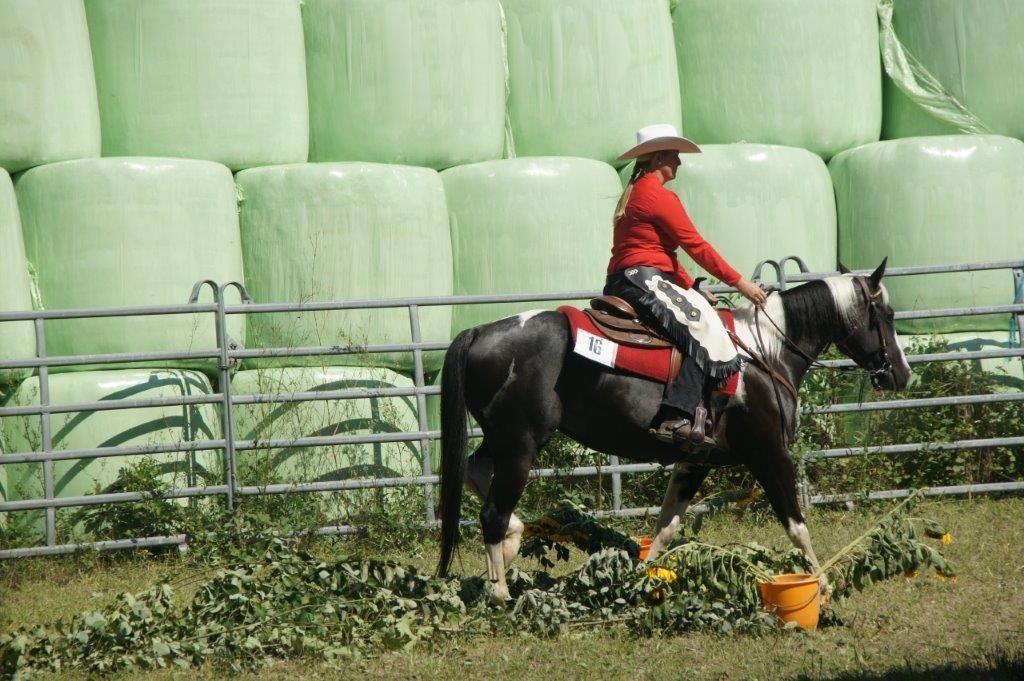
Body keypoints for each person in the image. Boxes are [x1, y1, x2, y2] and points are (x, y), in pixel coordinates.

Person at [605, 123, 768, 448]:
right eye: (674, 156)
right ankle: (675, 416)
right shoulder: (658, 196)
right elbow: (697, 246)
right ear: (658, 157)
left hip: (633, 278)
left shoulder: (637, 193)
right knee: (702, 332)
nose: (679, 162)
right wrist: (741, 284)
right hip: (644, 279)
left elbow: (663, 253)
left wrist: (689, 285)